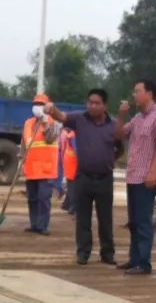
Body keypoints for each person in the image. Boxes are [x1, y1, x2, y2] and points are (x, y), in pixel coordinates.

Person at [46, 89, 120, 266]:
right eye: (90, 102)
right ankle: (83, 252)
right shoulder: (80, 119)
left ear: (105, 106)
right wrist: (51, 108)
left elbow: (119, 148)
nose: (92, 106)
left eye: (97, 103)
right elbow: (62, 117)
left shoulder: (114, 125)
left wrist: (107, 160)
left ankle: (107, 253)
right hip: (83, 177)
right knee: (83, 218)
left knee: (105, 218)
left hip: (104, 178)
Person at [114, 79, 156, 275]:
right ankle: (134, 258)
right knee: (134, 220)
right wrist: (121, 115)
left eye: (137, 91)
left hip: (146, 177)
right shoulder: (138, 118)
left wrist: (153, 172)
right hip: (133, 176)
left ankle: (144, 263)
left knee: (143, 221)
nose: (134, 94)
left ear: (149, 93)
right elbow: (119, 134)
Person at [22, 93, 61, 235]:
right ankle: (34, 224)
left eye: (40, 104)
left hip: (46, 168)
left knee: (44, 198)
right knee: (32, 198)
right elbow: (24, 143)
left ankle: (43, 226)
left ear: (47, 107)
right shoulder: (28, 123)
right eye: (35, 104)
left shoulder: (54, 122)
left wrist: (45, 124)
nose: (37, 107)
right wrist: (22, 159)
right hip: (31, 167)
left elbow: (51, 139)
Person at [59, 128, 78, 215]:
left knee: (71, 185)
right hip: (73, 163)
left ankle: (67, 205)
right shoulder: (74, 135)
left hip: (69, 162)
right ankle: (73, 208)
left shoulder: (71, 134)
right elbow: (76, 150)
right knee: (73, 187)